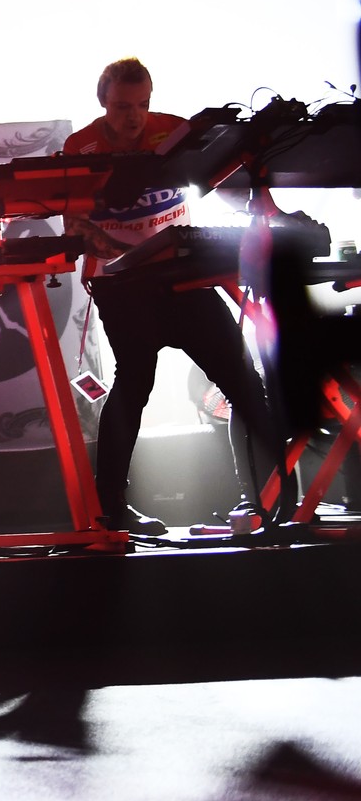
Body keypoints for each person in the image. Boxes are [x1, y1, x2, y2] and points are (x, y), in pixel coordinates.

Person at [64, 57, 287, 535]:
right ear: (103, 102)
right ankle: (112, 507)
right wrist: (129, 252)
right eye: (123, 106)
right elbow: (76, 226)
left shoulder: (173, 131)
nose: (134, 117)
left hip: (182, 275)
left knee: (242, 380)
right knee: (134, 385)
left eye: (143, 104)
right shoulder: (80, 146)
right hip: (122, 284)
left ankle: (266, 498)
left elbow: (218, 179)